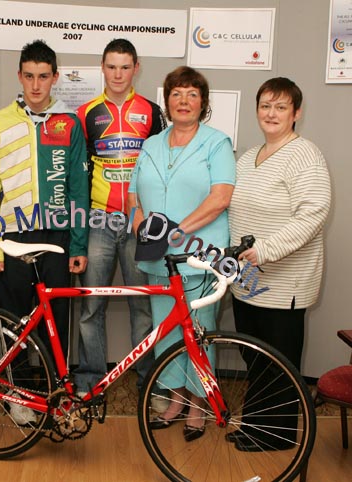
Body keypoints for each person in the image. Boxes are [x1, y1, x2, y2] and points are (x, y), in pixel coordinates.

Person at [127, 66, 235, 442]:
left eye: (192, 94)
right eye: (176, 94)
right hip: (158, 258)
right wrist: (141, 224)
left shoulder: (217, 143)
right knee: (169, 334)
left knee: (198, 335)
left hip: (198, 256)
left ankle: (198, 407)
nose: (184, 101)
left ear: (202, 102)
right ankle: (174, 401)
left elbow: (220, 198)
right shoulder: (151, 144)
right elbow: (134, 194)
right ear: (167, 101)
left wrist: (175, 231)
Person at [228, 77, 331, 452]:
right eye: (265, 106)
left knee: (278, 361)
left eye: (281, 107)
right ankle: (255, 425)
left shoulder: (305, 154)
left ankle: (278, 434)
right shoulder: (248, 156)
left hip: (285, 281)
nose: (271, 114)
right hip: (248, 279)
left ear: (296, 113)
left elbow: (313, 213)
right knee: (254, 357)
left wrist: (267, 249)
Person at [0, 39, 89, 362]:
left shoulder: (69, 122)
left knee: (57, 319)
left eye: (43, 76)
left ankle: (58, 390)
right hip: (12, 237)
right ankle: (18, 394)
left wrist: (79, 244)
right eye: (29, 76)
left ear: (55, 77)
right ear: (19, 76)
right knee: (14, 320)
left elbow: (78, 189)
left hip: (57, 238)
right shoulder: (0, 122)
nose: (36, 84)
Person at [74, 38, 166, 394]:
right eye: (111, 66)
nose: (117, 74)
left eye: (125, 66)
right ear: (102, 67)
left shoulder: (152, 111)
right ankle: (90, 381)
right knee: (90, 306)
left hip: (138, 223)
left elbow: (160, 171)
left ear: (136, 68)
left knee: (142, 307)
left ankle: (149, 384)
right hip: (99, 221)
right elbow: (78, 174)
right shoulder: (85, 113)